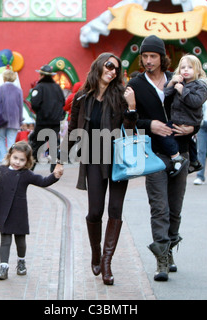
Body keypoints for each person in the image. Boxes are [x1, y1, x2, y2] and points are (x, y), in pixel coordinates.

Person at [59, 52, 137, 285]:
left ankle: (106, 263)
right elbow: (73, 129)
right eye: (109, 66)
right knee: (95, 211)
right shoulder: (82, 97)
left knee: (115, 210)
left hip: (118, 158)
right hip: (93, 157)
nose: (112, 71)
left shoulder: (122, 96)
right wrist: (60, 158)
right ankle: (96, 251)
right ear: (98, 66)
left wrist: (132, 107)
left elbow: (131, 131)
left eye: (116, 68)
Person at [125, 35, 197, 281]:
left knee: (175, 209)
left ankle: (169, 248)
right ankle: (161, 260)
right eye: (144, 56)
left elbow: (194, 110)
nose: (147, 61)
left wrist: (193, 128)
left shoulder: (178, 79)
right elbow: (128, 122)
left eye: (152, 56)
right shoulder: (136, 83)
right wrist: (150, 124)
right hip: (153, 153)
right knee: (159, 208)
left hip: (182, 150)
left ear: (162, 57)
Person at [0, 141, 63, 280]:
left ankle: (21, 261)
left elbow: (43, 181)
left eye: (22, 160)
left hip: (18, 212)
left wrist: (55, 176)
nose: (17, 162)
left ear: (27, 161)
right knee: (5, 240)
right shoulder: (0, 170)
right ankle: (3, 266)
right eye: (15, 158)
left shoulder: (26, 174)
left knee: (20, 241)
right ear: (10, 156)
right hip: (3, 211)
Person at [160, 54, 207, 176]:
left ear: (197, 70)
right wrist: (172, 82)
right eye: (183, 68)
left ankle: (177, 158)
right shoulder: (180, 82)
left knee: (164, 134)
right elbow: (166, 93)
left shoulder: (201, 86)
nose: (186, 70)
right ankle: (194, 161)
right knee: (188, 141)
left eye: (190, 67)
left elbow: (196, 101)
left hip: (188, 120)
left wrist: (183, 91)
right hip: (178, 118)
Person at [30, 64, 65, 170]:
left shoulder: (39, 87)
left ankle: (31, 167)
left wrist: (41, 112)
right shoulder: (58, 88)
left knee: (37, 145)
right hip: (55, 122)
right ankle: (54, 169)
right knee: (54, 145)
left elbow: (34, 104)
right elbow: (63, 102)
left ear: (41, 75)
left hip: (43, 122)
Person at [0, 69, 24, 163]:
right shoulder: (18, 90)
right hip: (14, 119)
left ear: (4, 78)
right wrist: (20, 120)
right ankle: (10, 160)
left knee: (1, 138)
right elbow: (20, 106)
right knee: (11, 141)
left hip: (1, 119)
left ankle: (3, 159)